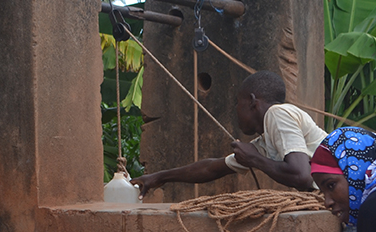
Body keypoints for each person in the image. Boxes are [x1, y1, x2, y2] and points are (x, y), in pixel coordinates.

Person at [131, 70, 326, 195]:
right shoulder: (266, 142)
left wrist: (254, 160)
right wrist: (159, 178)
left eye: (237, 103)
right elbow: (212, 168)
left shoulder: (277, 114)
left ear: (252, 101)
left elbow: (302, 176)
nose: (236, 111)